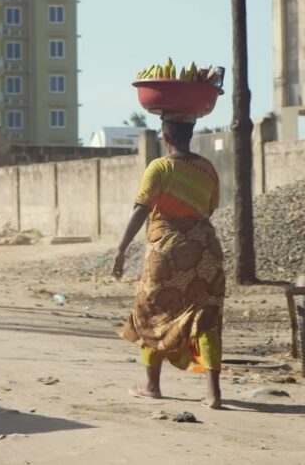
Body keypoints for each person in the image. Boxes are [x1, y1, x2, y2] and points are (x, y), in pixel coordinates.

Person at [113, 117, 226, 409]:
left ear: (165, 135)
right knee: (206, 318)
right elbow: (210, 207)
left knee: (150, 313)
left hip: (167, 252)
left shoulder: (160, 167)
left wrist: (122, 248)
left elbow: (141, 209)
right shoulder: (207, 168)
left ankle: (152, 386)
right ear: (190, 134)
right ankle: (213, 394)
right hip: (206, 251)